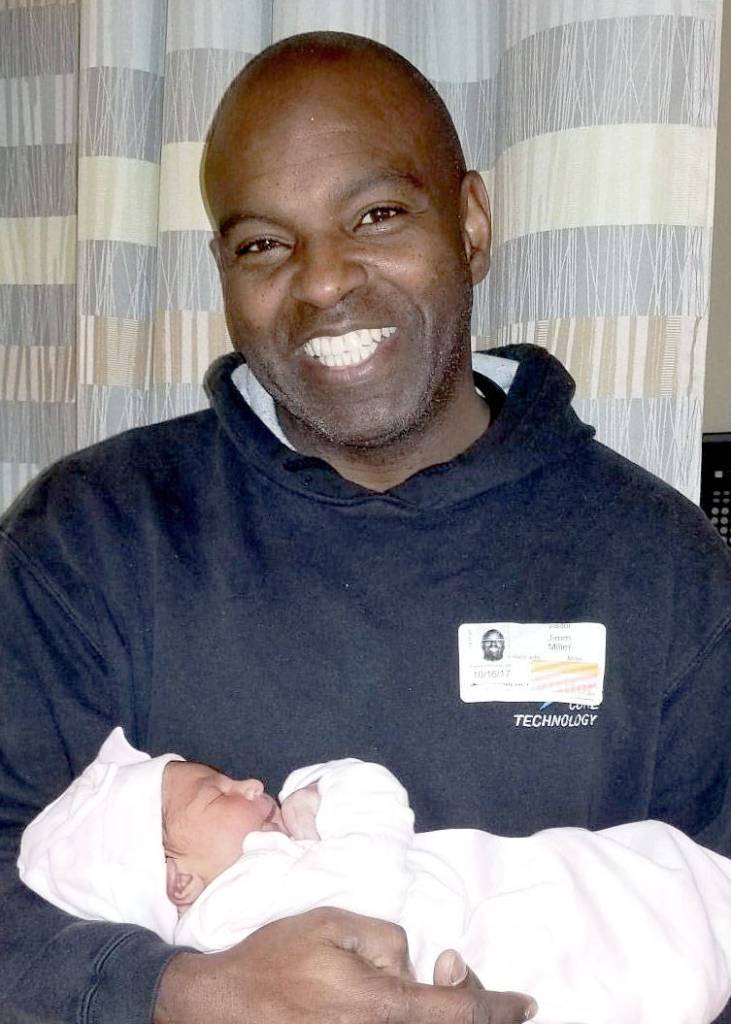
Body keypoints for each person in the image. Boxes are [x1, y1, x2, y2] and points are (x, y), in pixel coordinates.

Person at [1, 28, 731, 1024]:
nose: (321, 282)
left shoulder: (657, 565)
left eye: (376, 215)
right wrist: (183, 992)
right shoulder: (92, 536)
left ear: (470, 224)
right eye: (263, 244)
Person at [18, 729, 731, 1024]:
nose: (249, 783)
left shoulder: (260, 880)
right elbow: (374, 880)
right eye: (216, 793)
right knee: (633, 918)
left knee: (629, 884)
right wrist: (334, 788)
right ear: (178, 881)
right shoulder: (233, 918)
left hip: (503, 905)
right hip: (498, 944)